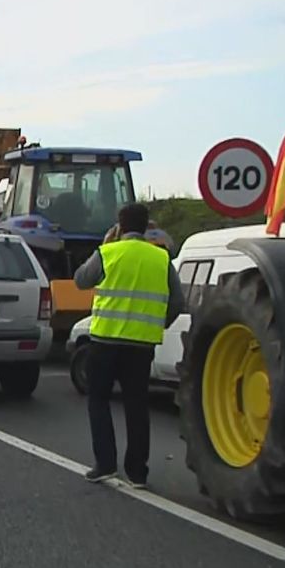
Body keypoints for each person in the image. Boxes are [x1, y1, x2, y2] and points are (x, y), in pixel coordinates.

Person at [74, 203, 184, 488]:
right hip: (141, 343)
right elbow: (177, 303)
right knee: (137, 405)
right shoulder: (161, 258)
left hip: (105, 341)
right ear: (147, 227)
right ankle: (137, 472)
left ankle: (105, 464)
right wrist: (157, 324)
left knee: (98, 400)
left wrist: (103, 246)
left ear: (119, 226)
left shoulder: (108, 252)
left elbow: (80, 280)